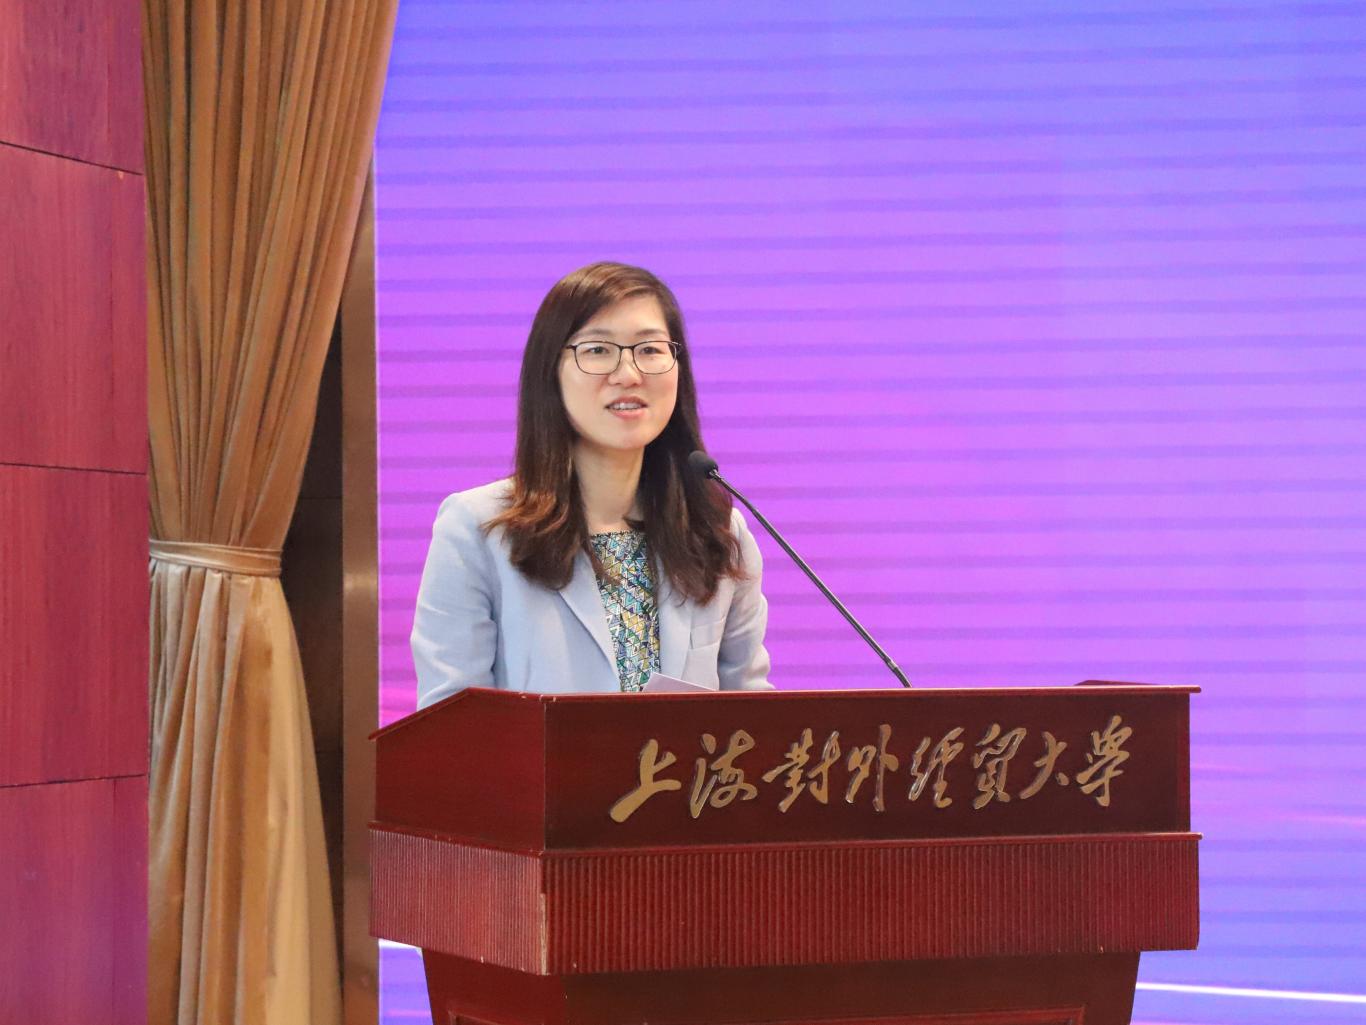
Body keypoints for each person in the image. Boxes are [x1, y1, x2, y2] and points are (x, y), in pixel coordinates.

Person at [412, 261, 773, 707]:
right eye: (598, 350)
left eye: (650, 349)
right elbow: (451, 721)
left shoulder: (717, 532)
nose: (628, 374)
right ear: (550, 371)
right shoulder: (478, 528)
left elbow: (753, 716)